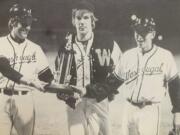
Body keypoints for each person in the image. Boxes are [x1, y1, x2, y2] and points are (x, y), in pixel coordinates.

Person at [102, 14, 180, 135]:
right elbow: (111, 83)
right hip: (129, 109)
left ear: (153, 34)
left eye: (143, 33)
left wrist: (177, 114)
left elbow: (175, 87)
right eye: (136, 32)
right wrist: (88, 91)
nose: (139, 37)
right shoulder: (128, 56)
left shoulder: (165, 56)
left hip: (150, 110)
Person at [54, 1, 122, 135]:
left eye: (86, 17)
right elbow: (59, 73)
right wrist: (61, 91)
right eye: (78, 18)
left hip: (98, 100)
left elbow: (120, 70)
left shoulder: (107, 42)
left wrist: (108, 90)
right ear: (73, 21)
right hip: (75, 102)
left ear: (92, 20)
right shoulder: (66, 44)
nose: (81, 22)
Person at [0, 4, 54, 135]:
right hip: (1, 99)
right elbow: (5, 69)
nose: (27, 27)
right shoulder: (0, 43)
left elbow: (47, 78)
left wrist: (65, 87)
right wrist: (30, 82)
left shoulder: (35, 48)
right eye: (24, 23)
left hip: (25, 101)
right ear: (13, 22)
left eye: (29, 23)